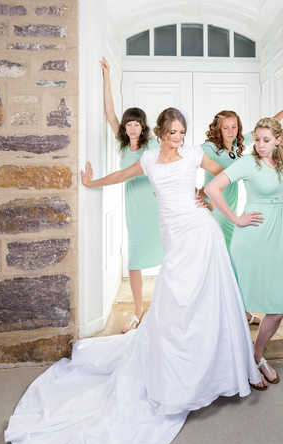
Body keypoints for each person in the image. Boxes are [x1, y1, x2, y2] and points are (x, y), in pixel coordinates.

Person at [5, 108, 261, 444]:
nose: (177, 137)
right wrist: (92, 183)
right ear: (160, 133)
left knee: (204, 296)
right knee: (175, 295)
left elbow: (223, 174)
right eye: (172, 131)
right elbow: (122, 176)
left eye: (182, 131)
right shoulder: (146, 160)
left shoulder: (193, 155)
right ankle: (176, 362)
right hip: (173, 232)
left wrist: (212, 198)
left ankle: (209, 365)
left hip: (199, 228)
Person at [204, 92, 283, 389]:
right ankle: (237, 358)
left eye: (266, 140)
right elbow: (214, 188)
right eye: (257, 139)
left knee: (278, 306)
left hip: (275, 239)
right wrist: (236, 218)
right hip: (250, 240)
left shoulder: (280, 160)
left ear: (276, 141)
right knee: (238, 303)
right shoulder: (247, 163)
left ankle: (257, 354)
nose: (260, 144)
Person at [199, 91, 283, 325]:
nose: (231, 131)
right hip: (219, 212)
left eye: (234, 127)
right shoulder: (209, 148)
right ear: (218, 129)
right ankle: (221, 314)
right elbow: (184, 161)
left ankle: (242, 311)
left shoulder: (242, 147)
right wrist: (196, 191)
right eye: (226, 127)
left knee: (235, 265)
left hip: (236, 208)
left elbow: (265, 132)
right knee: (222, 263)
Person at [100, 56, 163, 332]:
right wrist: (106, 77)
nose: (132, 127)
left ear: (143, 126)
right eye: (129, 124)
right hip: (135, 210)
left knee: (168, 258)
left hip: (154, 205)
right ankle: (138, 312)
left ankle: (166, 309)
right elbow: (109, 112)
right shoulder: (124, 146)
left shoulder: (151, 147)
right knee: (135, 261)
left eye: (137, 124)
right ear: (125, 128)